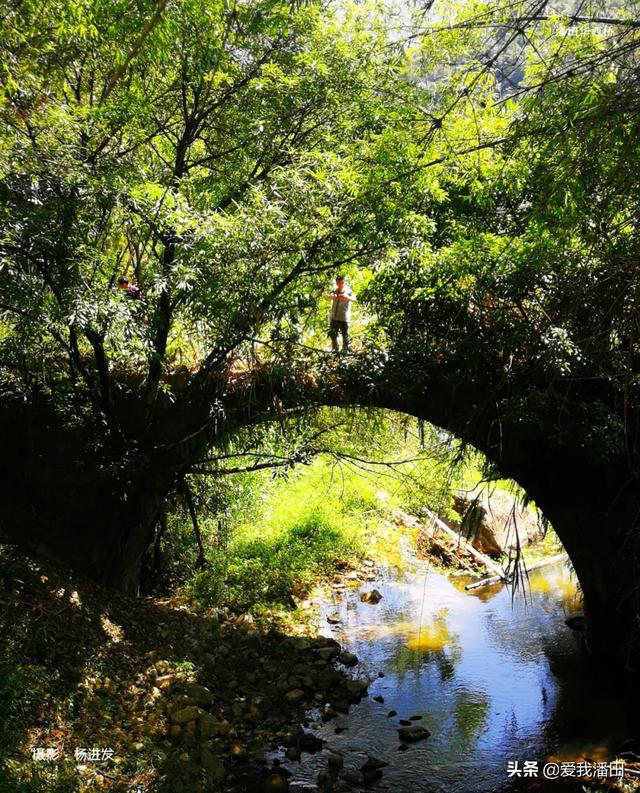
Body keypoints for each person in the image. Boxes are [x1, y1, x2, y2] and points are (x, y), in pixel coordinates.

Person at [325, 274, 356, 353]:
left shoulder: (348, 291)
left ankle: (345, 350)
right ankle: (335, 349)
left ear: (344, 282)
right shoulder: (334, 291)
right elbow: (327, 297)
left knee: (345, 334)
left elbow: (355, 300)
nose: (339, 284)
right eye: (338, 283)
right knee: (333, 334)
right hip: (334, 317)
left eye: (341, 283)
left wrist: (346, 297)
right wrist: (331, 297)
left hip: (344, 317)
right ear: (336, 283)